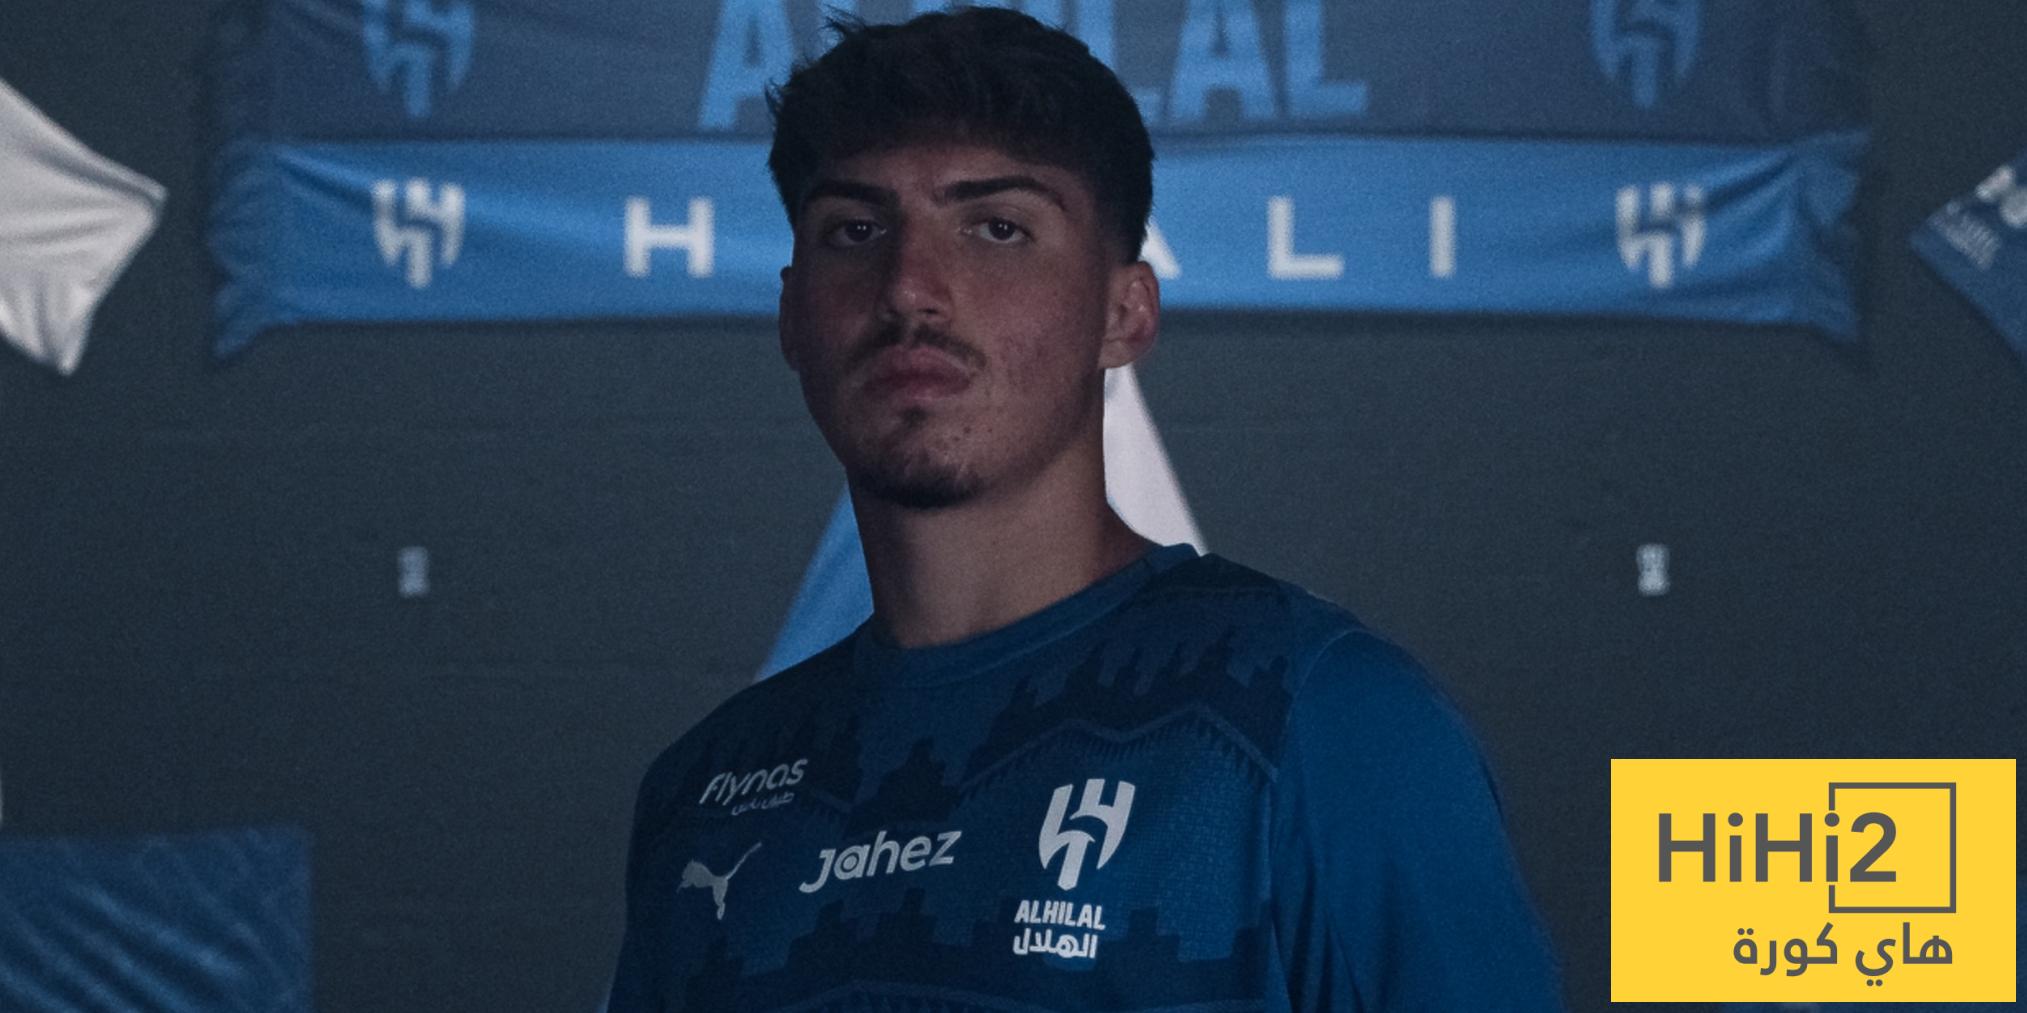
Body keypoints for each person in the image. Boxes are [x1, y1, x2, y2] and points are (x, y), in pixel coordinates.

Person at [609, 8, 1563, 1010]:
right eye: (855, 231)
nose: (910, 289)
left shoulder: (1316, 717)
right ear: (790, 314)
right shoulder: (707, 793)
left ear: (1123, 312)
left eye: (997, 228)